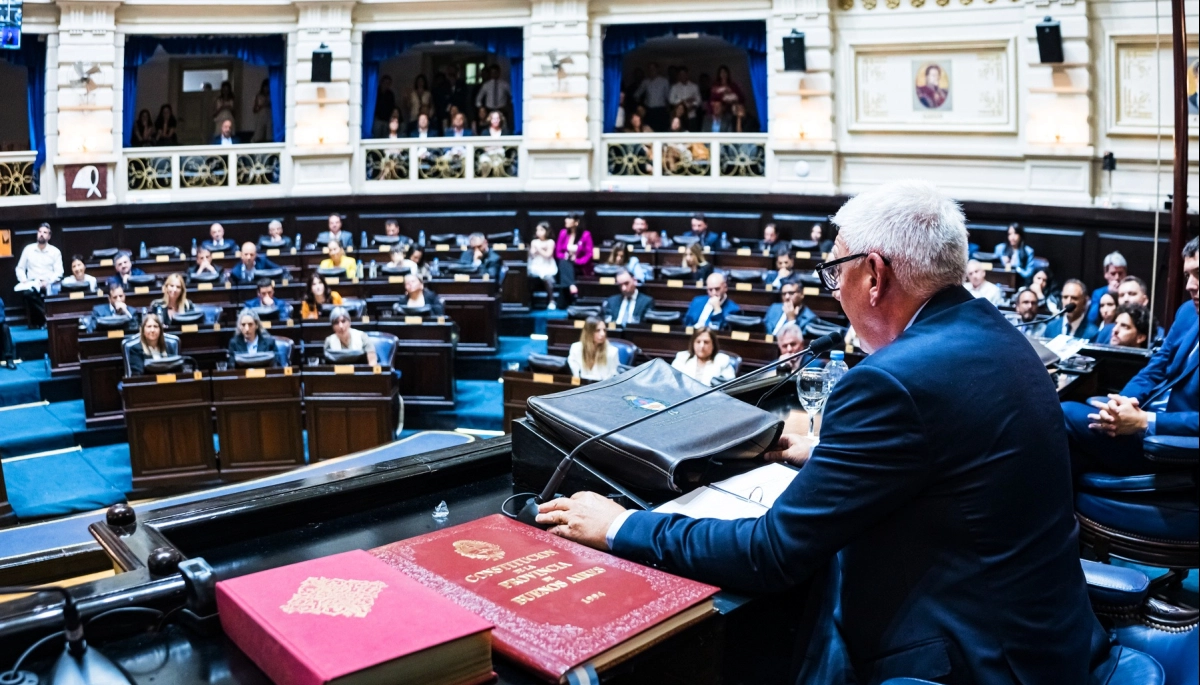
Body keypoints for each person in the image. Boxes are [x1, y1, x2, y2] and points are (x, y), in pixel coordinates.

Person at [535, 180, 1102, 685]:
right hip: (1051, 636)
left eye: (835, 271)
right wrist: (830, 453)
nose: (833, 289)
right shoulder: (1001, 337)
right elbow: (951, 456)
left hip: (972, 661)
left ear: (875, 275)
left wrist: (621, 525)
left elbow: (772, 553)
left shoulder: (890, 382)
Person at [1062, 237, 1197, 476]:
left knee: (1063, 413)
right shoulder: (1189, 312)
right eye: (1188, 275)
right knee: (1068, 453)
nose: (1190, 285)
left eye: (1198, 273)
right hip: (1141, 417)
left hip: (1171, 445)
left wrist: (1145, 421)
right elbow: (1156, 366)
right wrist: (1120, 404)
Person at [15, 223, 63, 328]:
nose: (41, 234)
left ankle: (44, 320)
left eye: (45, 232)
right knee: (27, 294)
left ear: (49, 236)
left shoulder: (55, 252)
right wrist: (23, 279)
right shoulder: (28, 249)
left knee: (55, 292)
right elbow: (20, 268)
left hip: (49, 282)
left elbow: (59, 272)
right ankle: (46, 318)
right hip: (32, 282)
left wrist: (48, 282)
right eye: (40, 232)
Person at [671, 326, 735, 386]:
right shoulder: (682, 357)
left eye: (706, 342)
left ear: (713, 345)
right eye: (698, 342)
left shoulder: (723, 360)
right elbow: (671, 380)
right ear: (693, 343)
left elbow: (730, 387)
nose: (702, 346)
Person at [566, 317, 620, 381]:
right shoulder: (575, 348)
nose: (603, 334)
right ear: (588, 332)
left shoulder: (612, 352)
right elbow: (576, 376)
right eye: (598, 330)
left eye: (604, 330)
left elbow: (612, 378)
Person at [555, 213, 594, 301]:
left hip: (580, 265)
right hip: (565, 263)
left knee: (564, 265)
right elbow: (558, 252)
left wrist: (577, 260)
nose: (566, 220)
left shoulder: (585, 235)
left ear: (576, 222)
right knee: (564, 262)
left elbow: (589, 254)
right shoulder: (563, 233)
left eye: (569, 218)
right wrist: (565, 255)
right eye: (566, 218)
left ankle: (564, 298)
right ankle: (572, 285)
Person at [1087, 251, 1127, 325]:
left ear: (1125, 273)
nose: (1117, 277)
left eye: (1120, 273)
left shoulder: (1129, 293)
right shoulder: (1098, 293)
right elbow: (1091, 318)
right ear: (1106, 274)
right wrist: (1109, 293)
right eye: (1113, 273)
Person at [527, 222, 559, 309]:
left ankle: (551, 300)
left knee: (548, 278)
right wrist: (535, 250)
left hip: (547, 266)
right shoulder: (534, 242)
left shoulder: (551, 242)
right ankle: (529, 301)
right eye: (537, 230)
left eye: (541, 230)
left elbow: (548, 255)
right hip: (536, 265)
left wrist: (539, 249)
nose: (538, 232)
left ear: (547, 231)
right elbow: (532, 254)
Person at [633, 62, 670, 132]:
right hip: (649, 111)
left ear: (657, 69)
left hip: (661, 110)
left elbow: (668, 97)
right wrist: (640, 106)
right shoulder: (645, 82)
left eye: (653, 68)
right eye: (650, 69)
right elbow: (636, 95)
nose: (651, 70)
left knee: (661, 130)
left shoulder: (664, 81)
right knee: (649, 130)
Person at [373, 75, 397, 139]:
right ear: (381, 82)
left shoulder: (390, 94)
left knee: (385, 137)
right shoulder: (375, 92)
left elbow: (392, 106)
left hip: (387, 120)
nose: (387, 85)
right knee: (376, 137)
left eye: (388, 83)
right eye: (385, 83)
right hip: (377, 119)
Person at [251, 79, 273, 143]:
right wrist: (261, 106)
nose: (266, 89)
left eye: (268, 87)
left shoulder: (271, 96)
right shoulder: (258, 96)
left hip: (269, 116)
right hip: (261, 116)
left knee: (269, 133)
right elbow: (254, 109)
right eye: (265, 87)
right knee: (259, 133)